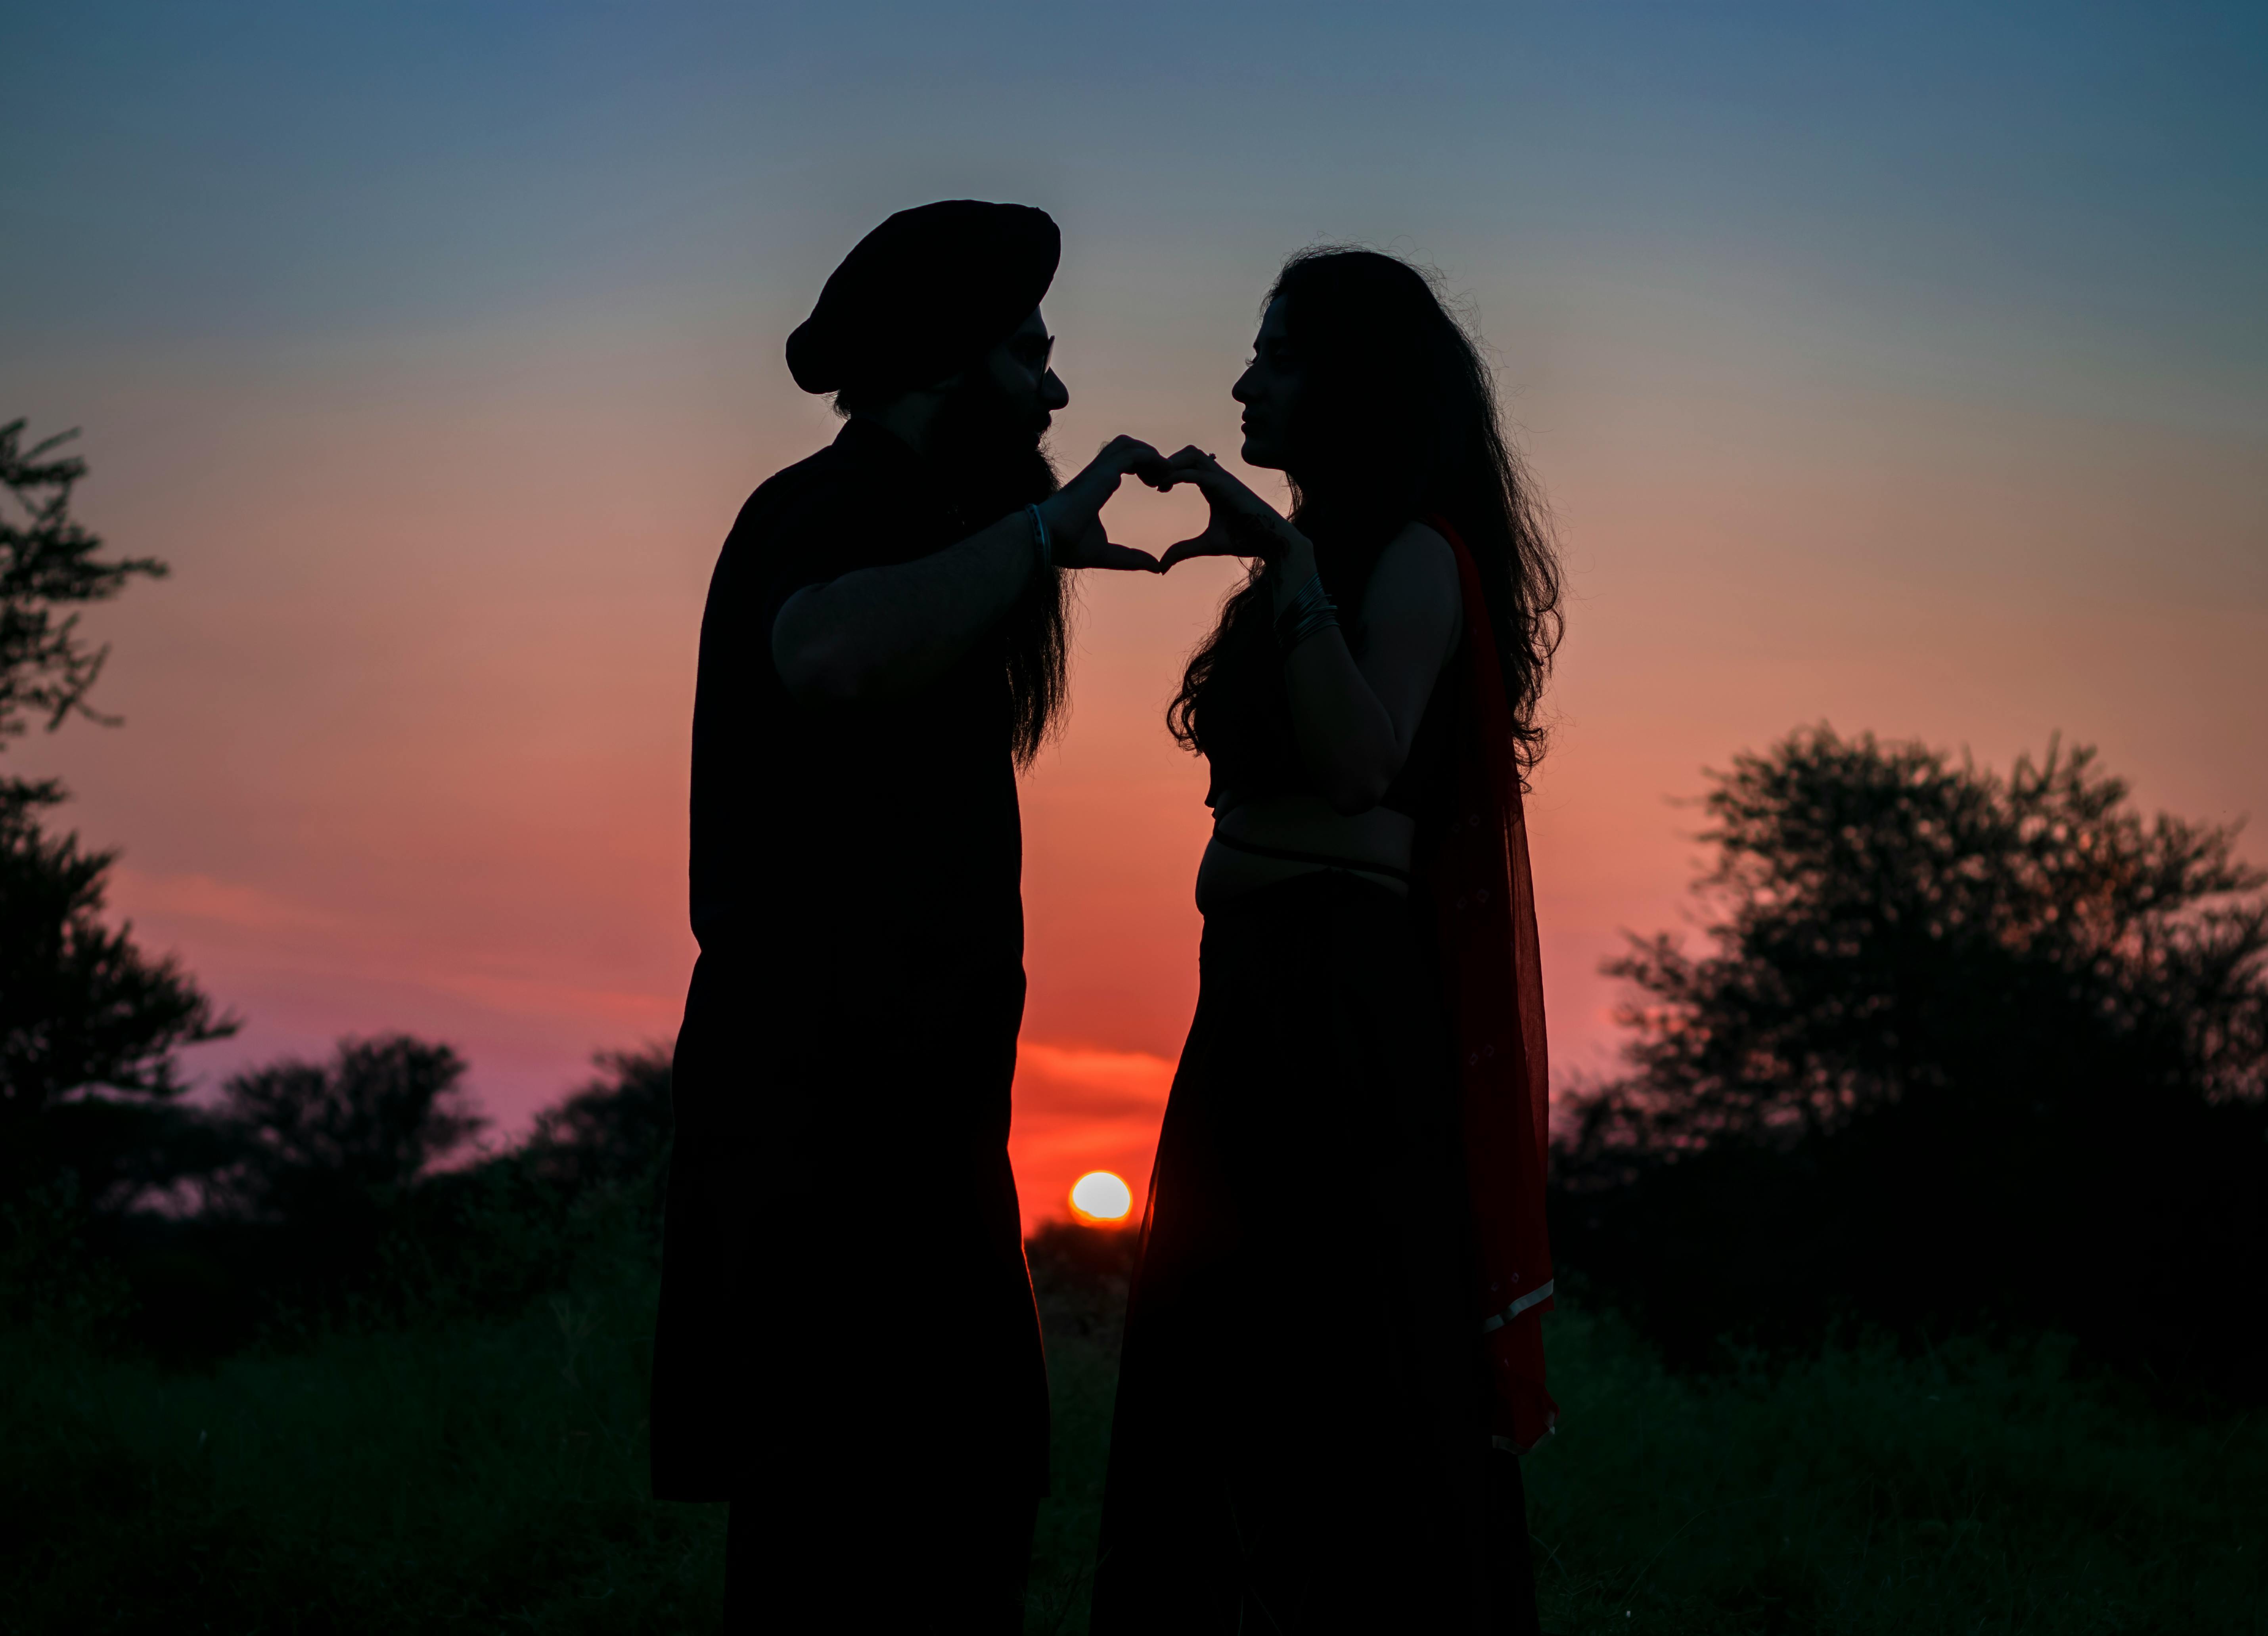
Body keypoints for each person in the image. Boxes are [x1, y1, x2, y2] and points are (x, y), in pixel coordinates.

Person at [649, 199, 1168, 1633]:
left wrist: (1026, 548)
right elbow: (826, 651)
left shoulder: (922, 527)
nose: (1056, 388)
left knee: (951, 1523)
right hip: (828, 1151)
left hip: (911, 1139)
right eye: (1029, 351)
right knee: (854, 1548)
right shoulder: (833, 512)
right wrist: (1042, 535)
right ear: (951, 361)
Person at [1091, 248, 1565, 1634]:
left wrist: (1287, 559)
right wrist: (1284, 567)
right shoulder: (1308, 570)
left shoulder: (1414, 557)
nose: (1244, 381)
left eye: (1279, 356)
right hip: (1248, 1006)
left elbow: (1362, 764)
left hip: (1342, 1023)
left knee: (1338, 1371)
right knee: (1219, 1361)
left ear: (1352, 384)